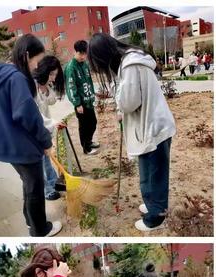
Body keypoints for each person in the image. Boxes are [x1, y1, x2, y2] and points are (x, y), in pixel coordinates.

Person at [88, 33, 176, 232]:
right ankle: (153, 203)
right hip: (148, 127)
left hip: (153, 128)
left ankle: (156, 216)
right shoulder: (129, 62)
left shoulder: (129, 65)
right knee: (148, 171)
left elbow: (128, 102)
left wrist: (119, 104)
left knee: (155, 174)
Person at [0, 34, 62, 237]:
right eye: (37, 61)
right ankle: (39, 229)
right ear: (27, 55)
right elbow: (28, 115)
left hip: (5, 144)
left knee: (29, 183)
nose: (37, 67)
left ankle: (30, 221)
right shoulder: (17, 78)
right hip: (21, 145)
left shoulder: (2, 73)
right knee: (35, 187)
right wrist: (46, 141)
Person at [33, 55, 67, 201]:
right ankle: (47, 190)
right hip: (36, 130)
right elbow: (35, 114)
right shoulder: (31, 86)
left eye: (55, 75)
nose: (53, 78)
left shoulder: (45, 86)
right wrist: (52, 123)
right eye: (51, 74)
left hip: (45, 129)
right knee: (40, 162)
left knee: (47, 158)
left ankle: (53, 184)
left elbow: (52, 101)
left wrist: (47, 88)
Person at [65, 40, 99, 156]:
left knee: (93, 123)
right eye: (81, 54)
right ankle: (86, 148)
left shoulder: (85, 65)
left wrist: (92, 96)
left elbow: (89, 82)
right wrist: (77, 103)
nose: (83, 57)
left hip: (88, 100)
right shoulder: (71, 67)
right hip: (80, 104)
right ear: (75, 52)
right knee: (84, 126)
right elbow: (71, 87)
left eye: (85, 54)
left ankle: (89, 142)